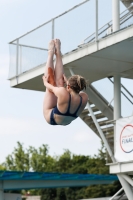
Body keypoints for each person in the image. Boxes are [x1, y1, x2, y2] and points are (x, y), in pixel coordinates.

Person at [42, 39, 88, 126]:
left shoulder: (82, 96)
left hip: (51, 118)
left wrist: (45, 81)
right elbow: (74, 90)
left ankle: (51, 53)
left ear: (69, 86)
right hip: (66, 120)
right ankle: (56, 53)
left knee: (51, 83)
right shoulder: (83, 97)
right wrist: (68, 84)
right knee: (59, 84)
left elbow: (48, 85)